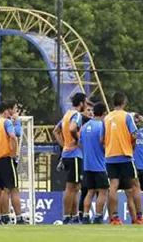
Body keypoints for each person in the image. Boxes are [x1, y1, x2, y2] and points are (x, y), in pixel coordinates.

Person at [103, 92, 143, 225]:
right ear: (124, 103)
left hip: (110, 156)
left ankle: (114, 218)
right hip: (125, 155)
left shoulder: (106, 118)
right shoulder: (127, 116)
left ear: (113, 103)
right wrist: (131, 146)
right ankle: (139, 217)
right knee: (135, 184)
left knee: (113, 186)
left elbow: (102, 138)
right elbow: (135, 134)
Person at [54, 92, 86, 224]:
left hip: (68, 153)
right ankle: (67, 216)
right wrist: (77, 140)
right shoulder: (76, 115)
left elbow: (56, 130)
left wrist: (64, 145)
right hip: (74, 154)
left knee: (76, 186)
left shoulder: (67, 114)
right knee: (71, 187)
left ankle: (73, 216)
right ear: (81, 103)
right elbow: (73, 128)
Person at [80, 102, 109, 224]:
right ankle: (98, 216)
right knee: (102, 191)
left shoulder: (85, 126)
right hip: (99, 164)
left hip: (87, 165)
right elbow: (103, 143)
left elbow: (80, 142)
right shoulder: (102, 126)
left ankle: (85, 216)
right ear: (103, 113)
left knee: (90, 191)